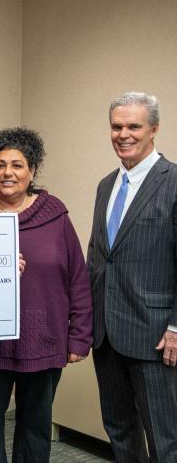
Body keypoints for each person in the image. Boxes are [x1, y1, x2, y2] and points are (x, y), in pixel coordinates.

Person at [0, 127, 92, 463]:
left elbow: (78, 279)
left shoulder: (55, 215)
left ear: (32, 171)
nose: (7, 173)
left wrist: (79, 337)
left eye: (17, 165)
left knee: (35, 427)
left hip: (43, 339)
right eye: (0, 165)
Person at [87, 92, 177, 462]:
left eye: (133, 126)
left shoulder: (173, 182)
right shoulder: (106, 185)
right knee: (119, 430)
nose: (123, 134)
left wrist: (176, 327)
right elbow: (98, 256)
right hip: (105, 333)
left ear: (154, 129)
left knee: (165, 438)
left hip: (154, 335)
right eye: (116, 126)